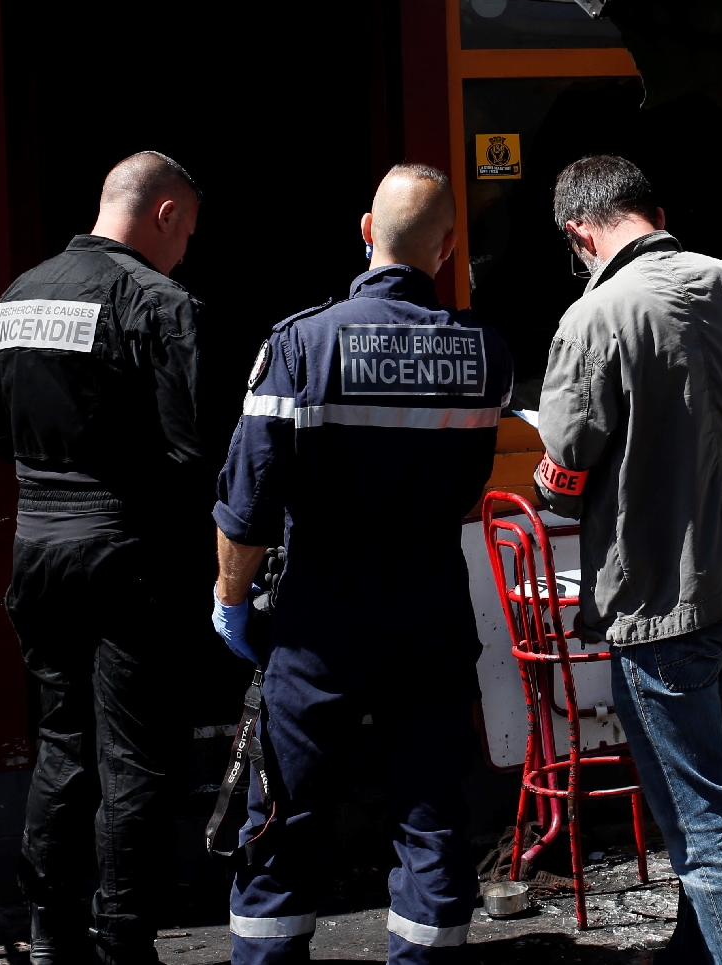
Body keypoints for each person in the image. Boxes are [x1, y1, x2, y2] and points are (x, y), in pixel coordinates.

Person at [211, 163, 511, 965]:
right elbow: (468, 486)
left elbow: (247, 505)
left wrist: (232, 601)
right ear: (446, 249)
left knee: (288, 808)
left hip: (321, 610)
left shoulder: (301, 341)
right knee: (432, 810)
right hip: (430, 605)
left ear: (366, 230)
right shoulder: (485, 353)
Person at [531, 155, 722, 965]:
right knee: (713, 792)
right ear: (653, 209)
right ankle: (695, 948)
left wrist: (549, 477)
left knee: (703, 822)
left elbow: (565, 470)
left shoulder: (595, 315)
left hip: (662, 603)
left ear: (580, 231)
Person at [0, 151, 207, 965]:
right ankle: (124, 939)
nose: (184, 253)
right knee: (132, 755)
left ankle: (47, 932)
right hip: (124, 548)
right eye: (186, 234)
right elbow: (190, 449)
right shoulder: (158, 301)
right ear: (166, 213)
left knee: (62, 741)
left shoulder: (17, 295)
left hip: (36, 544)